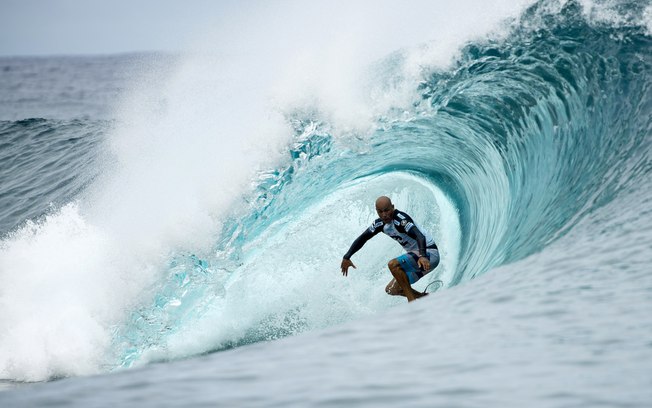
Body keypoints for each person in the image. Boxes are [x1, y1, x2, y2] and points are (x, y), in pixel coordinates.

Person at [340, 196, 440, 302]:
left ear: (393, 207)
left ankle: (412, 303)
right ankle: (426, 297)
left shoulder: (401, 220)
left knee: (393, 265)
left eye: (387, 210)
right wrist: (347, 256)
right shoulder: (380, 224)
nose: (384, 215)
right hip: (418, 260)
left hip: (429, 254)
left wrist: (423, 256)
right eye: (380, 212)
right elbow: (363, 238)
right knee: (392, 289)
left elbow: (420, 236)